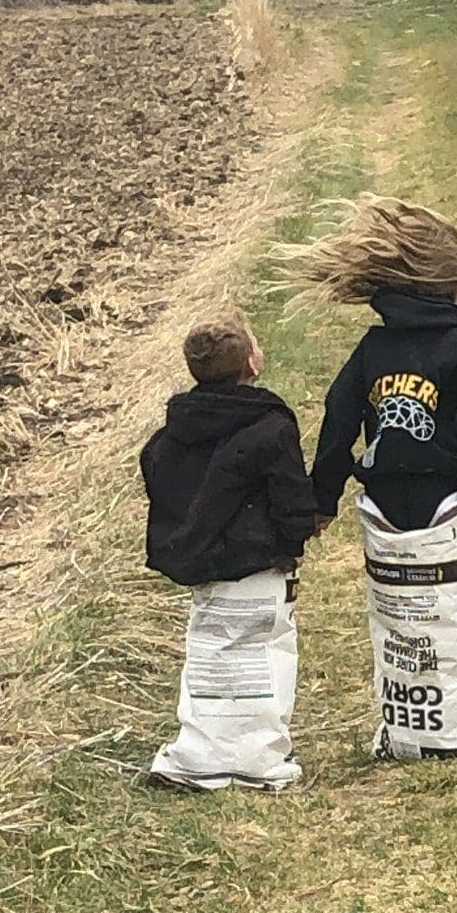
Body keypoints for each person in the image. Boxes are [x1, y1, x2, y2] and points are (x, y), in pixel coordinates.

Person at [298, 197, 457, 761]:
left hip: (383, 502)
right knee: (446, 614)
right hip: (444, 503)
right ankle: (452, 734)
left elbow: (339, 418)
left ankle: (403, 730)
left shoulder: (373, 349)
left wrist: (323, 498)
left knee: (396, 624)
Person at [142, 310, 318, 792]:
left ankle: (199, 755)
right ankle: (260, 760)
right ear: (252, 364)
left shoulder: (173, 432)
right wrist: (294, 541)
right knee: (263, 660)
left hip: (204, 572)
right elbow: (289, 496)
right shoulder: (270, 425)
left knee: (210, 660)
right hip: (261, 567)